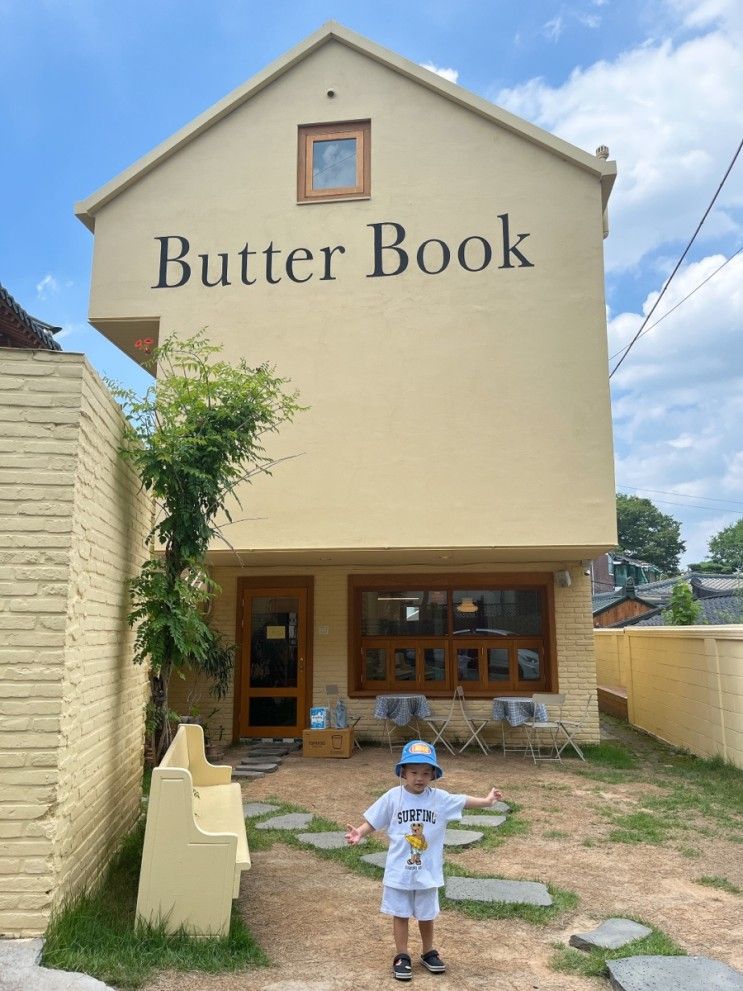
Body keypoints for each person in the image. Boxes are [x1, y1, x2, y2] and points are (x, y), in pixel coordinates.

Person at [345, 739, 502, 981]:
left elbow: (462, 800)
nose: (420, 778)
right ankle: (401, 955)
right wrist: (360, 832)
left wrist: (486, 800)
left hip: (428, 872)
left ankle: (428, 952)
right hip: (399, 871)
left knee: (426, 914)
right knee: (400, 913)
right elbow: (375, 819)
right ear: (403, 773)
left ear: (433, 775)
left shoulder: (439, 799)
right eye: (414, 772)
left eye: (426, 773)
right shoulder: (393, 797)